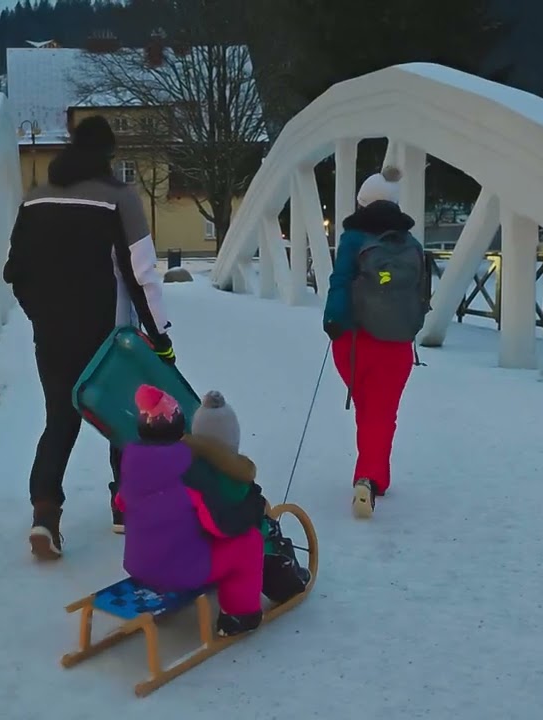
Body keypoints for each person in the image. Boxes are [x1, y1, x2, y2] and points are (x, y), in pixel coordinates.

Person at [3, 115, 173, 561]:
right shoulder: (119, 198)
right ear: (107, 156)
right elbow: (143, 274)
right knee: (126, 419)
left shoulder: (35, 199)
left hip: (52, 336)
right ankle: (125, 507)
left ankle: (44, 514)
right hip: (109, 339)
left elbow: (14, 271)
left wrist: (40, 315)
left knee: (60, 421)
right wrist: (160, 337)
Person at [115, 385, 265, 637]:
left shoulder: (131, 461)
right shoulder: (188, 469)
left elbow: (121, 503)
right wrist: (253, 508)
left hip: (139, 563)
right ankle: (240, 614)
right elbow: (222, 524)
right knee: (248, 543)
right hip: (180, 569)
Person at [323, 166, 428, 519]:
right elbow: (422, 293)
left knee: (367, 410)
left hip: (354, 341)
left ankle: (367, 476)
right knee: (383, 413)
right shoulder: (411, 244)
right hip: (396, 342)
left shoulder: (353, 239)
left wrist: (333, 321)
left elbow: (340, 282)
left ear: (362, 202)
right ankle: (371, 477)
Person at [186, 390, 310, 602]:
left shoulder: (182, 467)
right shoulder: (233, 481)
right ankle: (272, 591)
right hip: (208, 557)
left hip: (181, 551)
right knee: (258, 538)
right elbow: (234, 523)